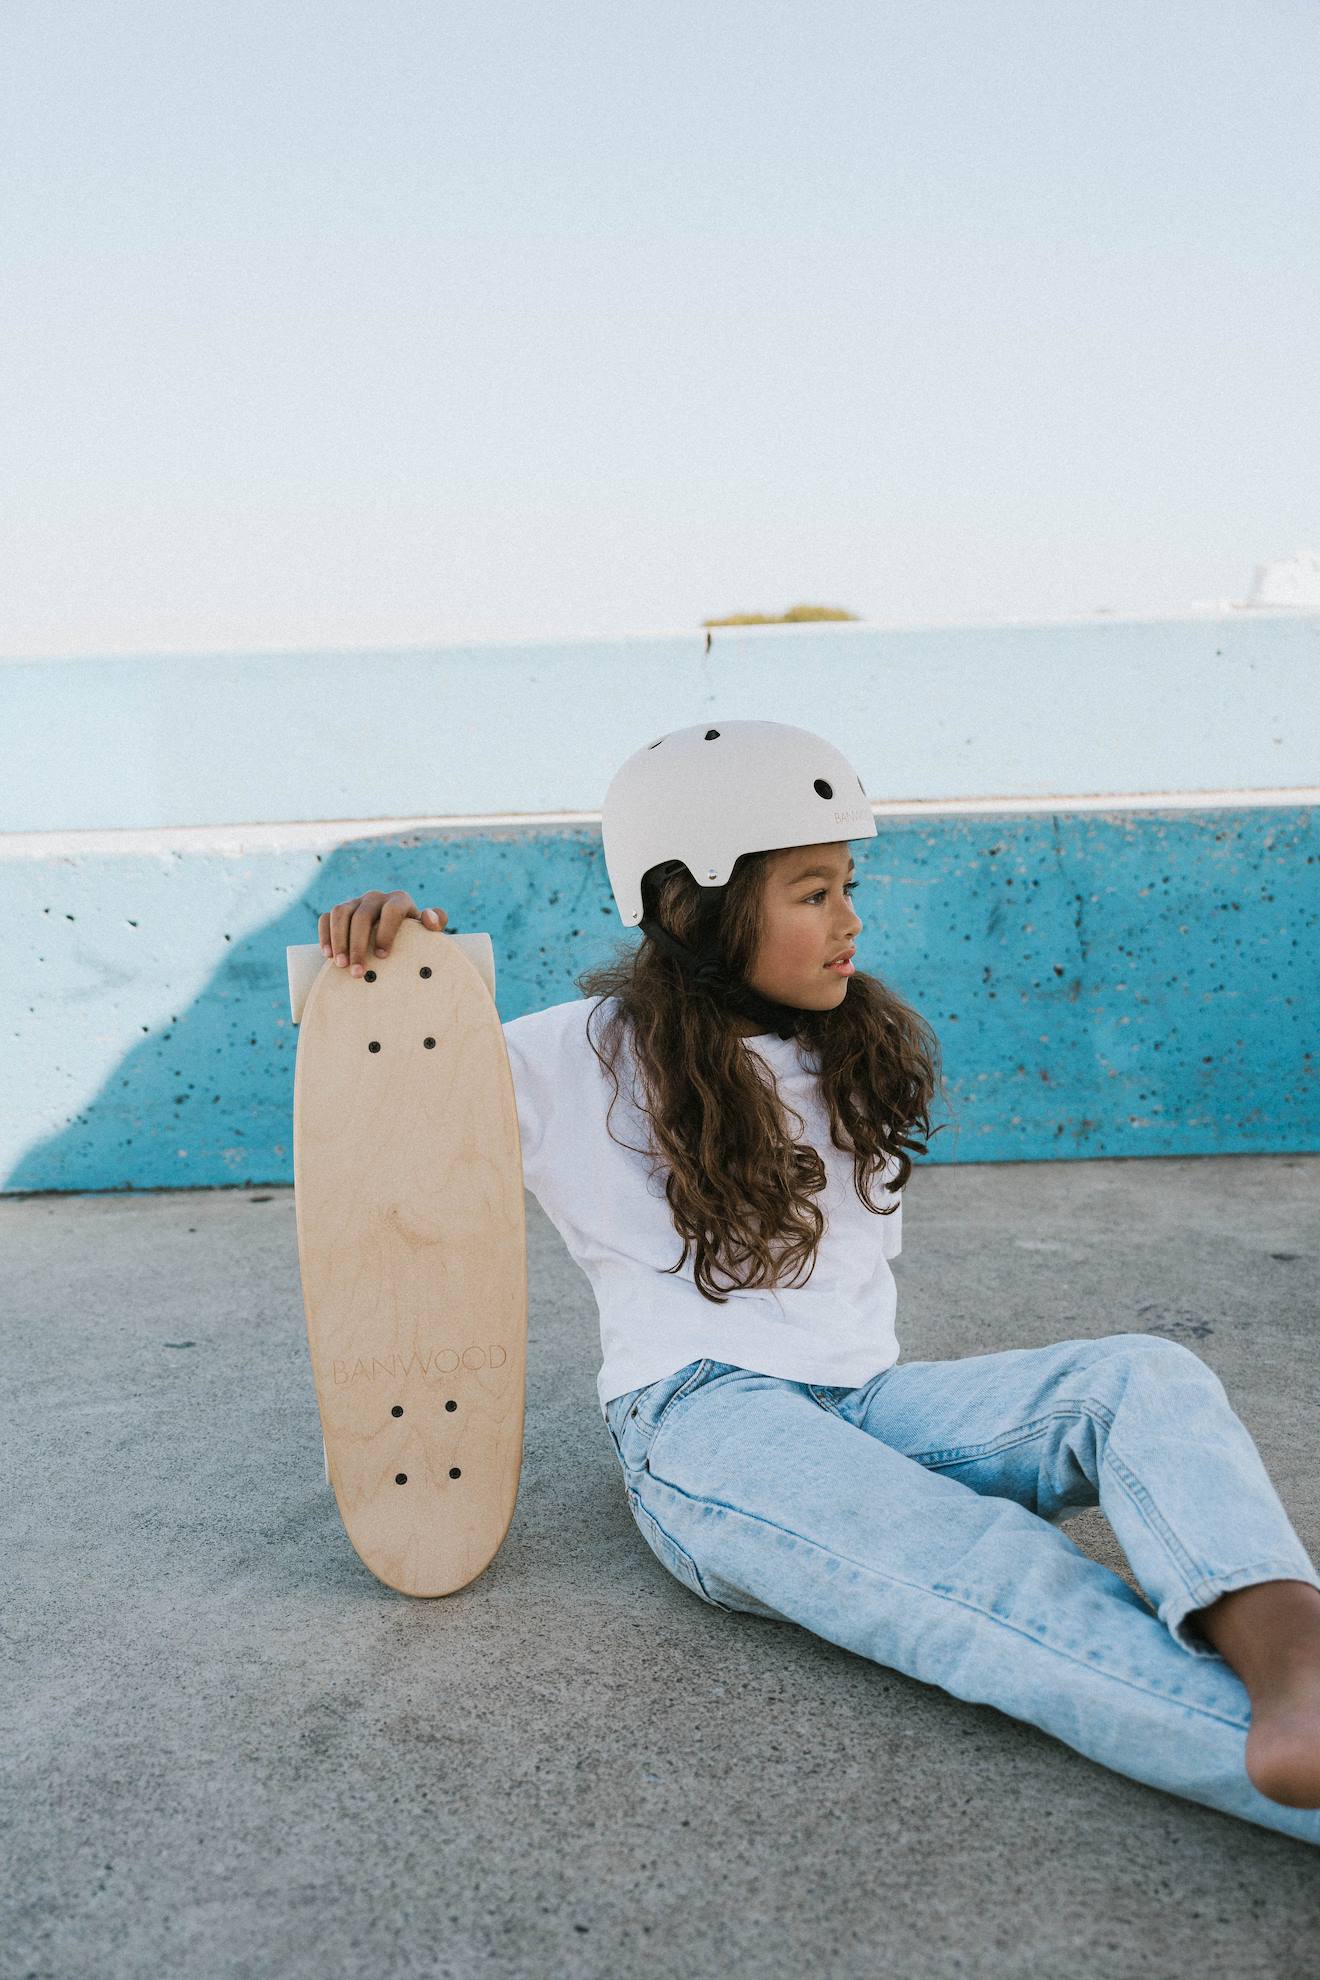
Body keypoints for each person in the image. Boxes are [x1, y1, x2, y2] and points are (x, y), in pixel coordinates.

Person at [318, 717, 1320, 1845]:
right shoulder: (578, 1053)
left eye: (849, 887)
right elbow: (389, 1103)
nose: (850, 922)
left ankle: (1295, 1662)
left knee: (1141, 1378)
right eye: (811, 893)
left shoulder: (850, 1046)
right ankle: (1278, 1759)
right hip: (704, 1422)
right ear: (693, 905)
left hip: (870, 1405)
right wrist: (392, 969)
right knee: (981, 1570)